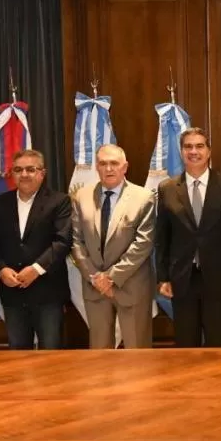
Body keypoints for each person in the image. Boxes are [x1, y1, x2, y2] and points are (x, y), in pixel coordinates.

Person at [155, 127, 221, 347]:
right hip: (183, 280)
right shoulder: (167, 188)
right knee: (186, 345)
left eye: (199, 146)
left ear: (208, 151)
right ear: (181, 151)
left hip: (218, 279)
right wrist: (163, 276)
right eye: (188, 146)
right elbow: (162, 237)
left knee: (219, 343)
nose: (193, 151)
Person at [71, 144, 156, 349]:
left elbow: (143, 243)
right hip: (95, 287)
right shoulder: (81, 197)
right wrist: (95, 277)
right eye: (103, 164)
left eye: (114, 163)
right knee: (99, 356)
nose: (109, 168)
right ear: (96, 168)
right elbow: (76, 241)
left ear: (125, 167)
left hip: (132, 286)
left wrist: (111, 277)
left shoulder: (143, 197)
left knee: (138, 353)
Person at [0, 149, 71, 350]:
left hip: (48, 292)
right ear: (12, 174)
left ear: (42, 173)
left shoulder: (59, 201)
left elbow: (62, 241)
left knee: (51, 353)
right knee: (17, 352)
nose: (24, 174)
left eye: (31, 169)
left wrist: (36, 269)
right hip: (12, 292)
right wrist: (0, 269)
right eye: (18, 170)